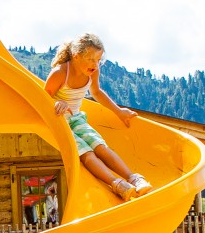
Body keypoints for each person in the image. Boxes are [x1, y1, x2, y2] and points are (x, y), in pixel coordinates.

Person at [44, 34, 153, 200]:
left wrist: (119, 111)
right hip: (59, 121)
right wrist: (58, 103)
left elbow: (96, 92)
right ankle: (118, 184)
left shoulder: (92, 72)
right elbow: (43, 99)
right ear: (76, 56)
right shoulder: (59, 73)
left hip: (76, 119)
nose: (95, 64)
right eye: (90, 59)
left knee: (100, 147)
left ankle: (134, 178)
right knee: (87, 154)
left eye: (98, 60)